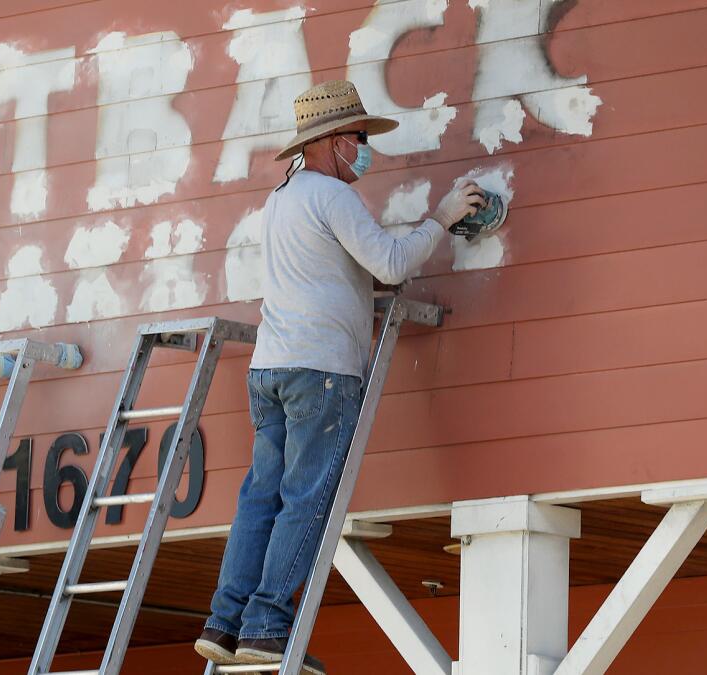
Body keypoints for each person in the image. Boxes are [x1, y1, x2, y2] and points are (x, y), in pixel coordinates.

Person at [194, 80, 488, 675]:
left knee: (261, 496)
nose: (363, 150)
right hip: (319, 370)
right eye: (358, 138)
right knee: (306, 500)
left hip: (271, 367)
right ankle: (268, 625)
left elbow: (343, 273)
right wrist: (444, 217)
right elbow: (392, 263)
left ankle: (225, 623)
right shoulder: (332, 196)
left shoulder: (281, 200)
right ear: (330, 141)